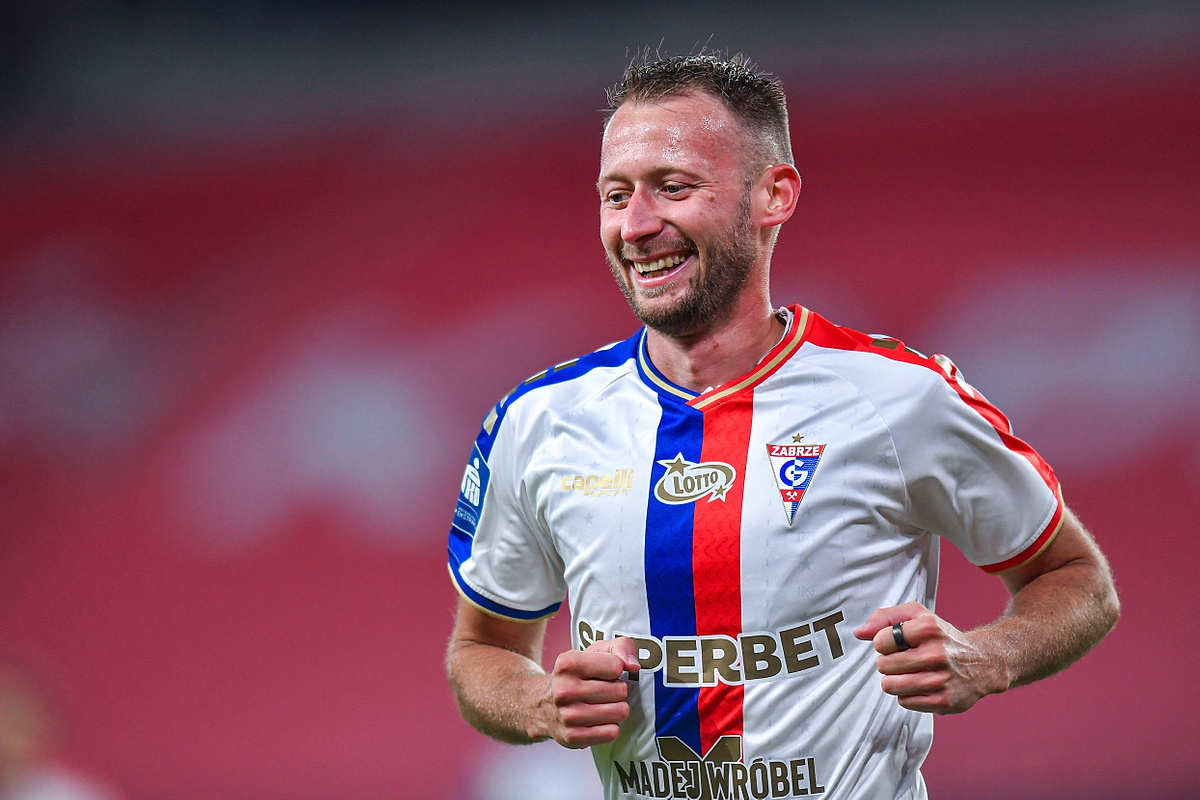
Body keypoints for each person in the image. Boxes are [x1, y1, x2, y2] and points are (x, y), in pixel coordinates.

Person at [445, 52, 1119, 800]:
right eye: (615, 195)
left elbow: (1077, 580)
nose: (635, 225)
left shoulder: (898, 397)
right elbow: (482, 648)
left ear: (773, 194)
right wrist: (536, 702)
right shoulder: (539, 420)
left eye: (673, 187)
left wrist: (989, 657)